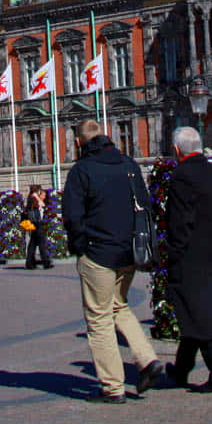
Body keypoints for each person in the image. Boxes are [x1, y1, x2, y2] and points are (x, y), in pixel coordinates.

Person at [63, 119, 166, 404]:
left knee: (99, 319)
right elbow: (145, 205)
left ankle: (112, 386)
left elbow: (72, 216)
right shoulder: (129, 166)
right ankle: (147, 359)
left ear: (79, 142)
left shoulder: (82, 170)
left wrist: (81, 247)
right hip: (129, 252)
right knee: (119, 306)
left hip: (98, 253)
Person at [165, 126, 212, 393]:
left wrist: (174, 253)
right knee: (194, 311)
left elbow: (180, 221)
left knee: (200, 314)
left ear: (178, 149)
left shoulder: (182, 175)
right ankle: (181, 369)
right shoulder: (211, 170)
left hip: (192, 254)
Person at [23, 184, 53, 270]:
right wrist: (37, 197)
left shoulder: (30, 198)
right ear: (37, 190)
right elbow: (42, 205)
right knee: (41, 243)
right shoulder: (34, 198)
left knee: (32, 244)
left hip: (33, 223)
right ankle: (46, 262)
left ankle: (30, 263)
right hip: (37, 223)